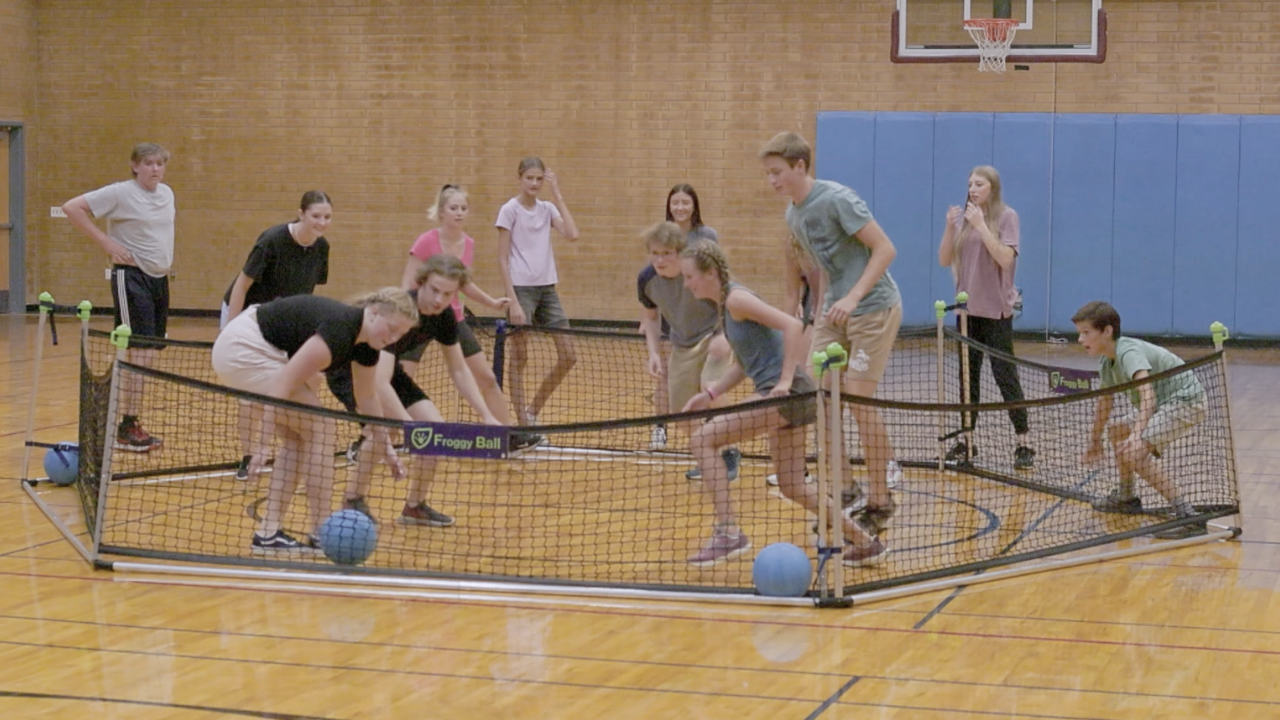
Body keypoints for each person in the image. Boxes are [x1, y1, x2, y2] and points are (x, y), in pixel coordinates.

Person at [679, 242, 888, 567]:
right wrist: (710, 394)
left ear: (710, 273)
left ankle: (727, 532)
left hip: (786, 395)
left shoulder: (737, 299)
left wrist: (785, 381)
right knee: (792, 486)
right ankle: (865, 541)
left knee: (702, 439)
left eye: (690, 276)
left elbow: (793, 325)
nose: (686, 283)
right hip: (793, 400)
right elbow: (746, 363)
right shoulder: (726, 306)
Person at [762, 131, 903, 537]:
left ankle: (880, 498)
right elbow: (825, 268)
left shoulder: (838, 199)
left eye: (777, 173)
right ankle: (844, 488)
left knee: (859, 400)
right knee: (819, 395)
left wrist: (855, 297)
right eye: (768, 174)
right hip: (834, 312)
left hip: (874, 307)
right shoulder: (793, 215)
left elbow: (885, 249)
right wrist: (824, 308)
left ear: (800, 166)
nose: (772, 182)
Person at [211, 289, 418, 552]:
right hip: (244, 348)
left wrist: (386, 448)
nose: (392, 339)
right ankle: (322, 532)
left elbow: (366, 398)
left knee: (298, 438)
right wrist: (261, 444)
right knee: (321, 427)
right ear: (375, 311)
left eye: (400, 335)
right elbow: (281, 387)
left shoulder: (367, 347)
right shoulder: (340, 329)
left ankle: (268, 533)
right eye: (391, 329)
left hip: (261, 349)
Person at [331, 255, 501, 527]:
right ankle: (353, 498)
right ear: (421, 283)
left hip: (387, 372)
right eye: (434, 290)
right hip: (354, 369)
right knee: (383, 430)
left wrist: (486, 415)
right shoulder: (400, 309)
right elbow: (378, 382)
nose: (439, 299)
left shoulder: (444, 316)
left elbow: (458, 369)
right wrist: (409, 426)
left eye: (447, 293)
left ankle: (415, 507)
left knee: (435, 429)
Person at [398, 184, 541, 454]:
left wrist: (491, 302)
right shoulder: (425, 241)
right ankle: (387, 434)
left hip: (451, 319)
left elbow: (462, 283)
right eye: (453, 208)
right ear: (441, 212)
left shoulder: (469, 244)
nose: (459, 213)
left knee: (486, 377)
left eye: (464, 208)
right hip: (419, 317)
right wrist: (407, 316)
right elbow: (409, 281)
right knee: (402, 377)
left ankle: (504, 435)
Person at [62, 142, 174, 452]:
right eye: (148, 163)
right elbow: (73, 208)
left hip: (159, 280)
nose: (154, 169)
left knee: (148, 354)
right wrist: (107, 244)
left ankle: (131, 421)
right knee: (137, 352)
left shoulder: (167, 194)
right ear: (135, 166)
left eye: (159, 164)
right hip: (132, 278)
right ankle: (126, 426)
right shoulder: (120, 193)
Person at [221, 190, 334, 479]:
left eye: (327, 217)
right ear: (301, 213)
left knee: (311, 378)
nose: (321, 222)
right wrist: (230, 329)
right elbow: (241, 285)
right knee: (249, 395)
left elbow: (308, 292)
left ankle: (295, 442)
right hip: (246, 317)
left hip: (284, 320)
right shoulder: (272, 240)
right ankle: (249, 456)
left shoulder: (322, 248)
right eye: (316, 216)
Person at [1072, 301, 1209, 539]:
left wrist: (1137, 435)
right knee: (1117, 430)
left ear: (1107, 331)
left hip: (1185, 401)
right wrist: (1095, 440)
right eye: (1079, 334)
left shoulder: (1128, 353)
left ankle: (1189, 517)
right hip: (1163, 403)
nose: (1080, 340)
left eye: (1086, 333)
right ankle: (1126, 497)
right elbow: (1105, 401)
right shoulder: (1107, 360)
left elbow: (1148, 396)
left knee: (1133, 452)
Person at [938, 166, 1035, 470]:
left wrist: (981, 226)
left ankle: (1023, 443)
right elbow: (944, 260)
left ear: (992, 188)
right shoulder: (964, 221)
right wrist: (950, 228)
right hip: (967, 315)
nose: (972, 189)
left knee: (1006, 377)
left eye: (979, 184)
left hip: (996, 312)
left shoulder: (1007, 217)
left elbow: (1006, 258)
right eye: (969, 184)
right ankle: (968, 441)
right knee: (968, 379)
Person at [637, 221, 738, 480]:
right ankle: (709, 454)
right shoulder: (646, 279)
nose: (660, 259)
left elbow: (730, 298)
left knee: (710, 386)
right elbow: (650, 318)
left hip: (713, 336)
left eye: (667, 253)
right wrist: (653, 353)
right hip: (681, 344)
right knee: (682, 413)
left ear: (679, 253)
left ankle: (729, 452)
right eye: (655, 253)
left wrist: (724, 334)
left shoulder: (695, 272)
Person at [649, 184, 735, 456]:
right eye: (676, 203)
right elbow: (652, 281)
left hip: (710, 324)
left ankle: (726, 446)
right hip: (678, 322)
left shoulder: (706, 236)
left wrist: (724, 330)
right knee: (676, 392)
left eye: (686, 202)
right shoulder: (661, 238)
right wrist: (649, 318)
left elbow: (721, 276)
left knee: (712, 387)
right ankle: (672, 432)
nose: (681, 208)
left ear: (694, 206)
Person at [496, 157, 579, 426]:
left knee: (569, 355)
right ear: (519, 178)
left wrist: (557, 194)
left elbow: (572, 234)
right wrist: (514, 302)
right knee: (520, 357)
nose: (534, 183)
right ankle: (522, 422)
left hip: (547, 290)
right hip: (521, 290)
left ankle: (533, 410)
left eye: (539, 179)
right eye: (529, 178)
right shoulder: (509, 210)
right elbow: (503, 258)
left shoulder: (547, 209)